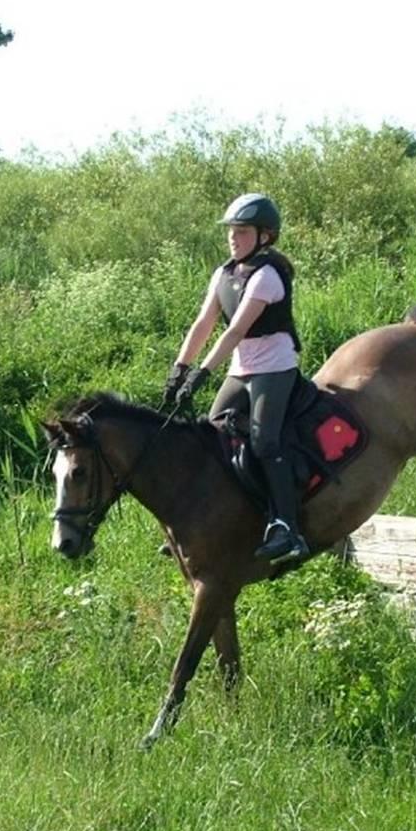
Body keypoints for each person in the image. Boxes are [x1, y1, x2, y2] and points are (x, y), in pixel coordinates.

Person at [162, 192, 310, 566]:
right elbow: (204, 324)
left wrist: (202, 373)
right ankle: (215, 519)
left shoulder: (267, 276)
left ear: (265, 236)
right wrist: (179, 368)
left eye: (242, 231)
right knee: (212, 439)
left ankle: (286, 526)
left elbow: (235, 332)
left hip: (274, 368)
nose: (233, 237)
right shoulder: (224, 273)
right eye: (231, 231)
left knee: (264, 441)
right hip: (241, 370)